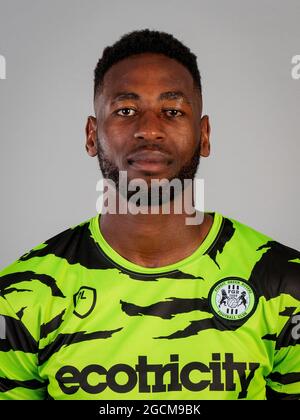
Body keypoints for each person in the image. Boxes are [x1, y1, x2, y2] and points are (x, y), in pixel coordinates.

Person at [0, 29, 299, 401]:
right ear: (92, 135)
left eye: (172, 111)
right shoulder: (21, 295)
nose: (149, 130)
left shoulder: (287, 285)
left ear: (204, 135)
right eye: (126, 111)